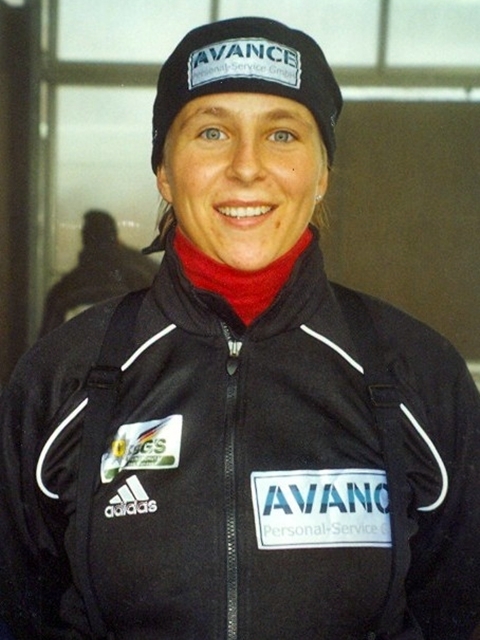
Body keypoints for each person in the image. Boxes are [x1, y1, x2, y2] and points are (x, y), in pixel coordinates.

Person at [0, 16, 479, 640]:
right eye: (212, 131)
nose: (247, 166)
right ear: (164, 172)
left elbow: (456, 612)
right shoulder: (60, 378)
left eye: (282, 133)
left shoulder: (419, 375)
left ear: (322, 173)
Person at [39, 208, 158, 336]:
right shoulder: (141, 280)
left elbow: (46, 341)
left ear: (84, 239)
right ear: (115, 238)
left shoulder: (65, 289)